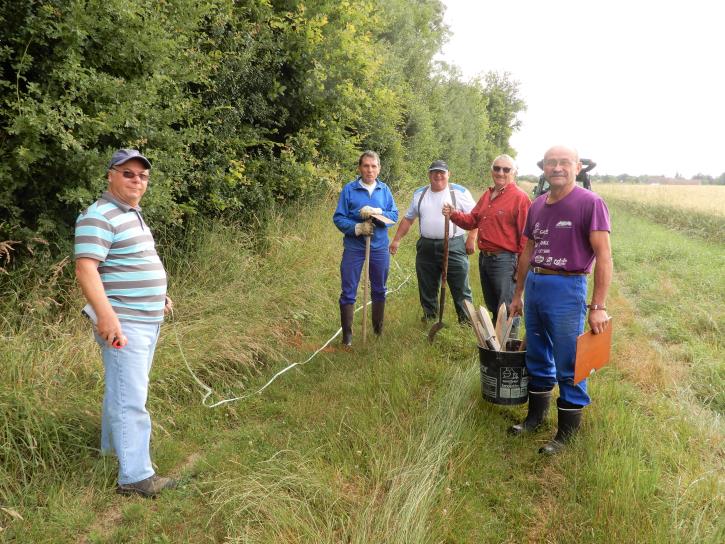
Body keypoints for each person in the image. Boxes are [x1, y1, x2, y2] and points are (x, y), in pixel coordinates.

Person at [75, 149, 177, 497]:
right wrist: (106, 316)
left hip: (145, 318)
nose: (137, 180)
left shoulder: (131, 213)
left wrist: (157, 297)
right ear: (111, 176)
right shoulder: (98, 215)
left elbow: (131, 263)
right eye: (128, 173)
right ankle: (135, 478)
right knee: (131, 398)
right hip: (123, 324)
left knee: (122, 390)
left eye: (142, 176)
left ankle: (111, 452)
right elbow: (86, 269)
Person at [508, 145, 612, 454]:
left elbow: (604, 257)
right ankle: (535, 419)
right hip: (537, 284)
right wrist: (518, 294)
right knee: (537, 354)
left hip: (567, 287)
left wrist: (598, 307)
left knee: (570, 361)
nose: (557, 168)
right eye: (551, 163)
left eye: (564, 162)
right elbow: (528, 250)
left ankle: (565, 434)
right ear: (543, 168)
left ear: (577, 167)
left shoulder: (590, 203)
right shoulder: (538, 204)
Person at [442, 154, 530, 339]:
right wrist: (454, 213)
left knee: (507, 309)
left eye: (506, 169)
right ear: (492, 171)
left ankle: (509, 351)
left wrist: (520, 268)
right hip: (486, 259)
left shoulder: (520, 198)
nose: (501, 172)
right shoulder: (488, 195)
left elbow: (526, 237)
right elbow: (472, 220)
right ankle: (497, 347)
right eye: (497, 168)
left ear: (514, 172)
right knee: (494, 306)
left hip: (506, 260)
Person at [390, 160, 477, 323]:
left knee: (460, 286)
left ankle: (466, 323)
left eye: (442, 172)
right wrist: (396, 240)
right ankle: (430, 318)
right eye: (434, 172)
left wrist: (471, 238)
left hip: (454, 245)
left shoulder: (459, 192)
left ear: (448, 174)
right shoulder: (419, 194)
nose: (438, 175)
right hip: (426, 246)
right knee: (427, 285)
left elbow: (476, 217)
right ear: (429, 175)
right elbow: (408, 219)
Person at [333, 151, 399, 346]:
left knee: (379, 288)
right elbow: (338, 217)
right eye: (366, 166)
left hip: (378, 247)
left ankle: (378, 332)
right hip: (354, 247)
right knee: (348, 290)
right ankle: (348, 338)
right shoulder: (349, 190)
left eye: (373, 166)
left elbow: (394, 215)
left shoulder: (384, 190)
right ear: (360, 168)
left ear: (379, 169)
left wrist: (379, 213)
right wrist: (357, 228)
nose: (370, 170)